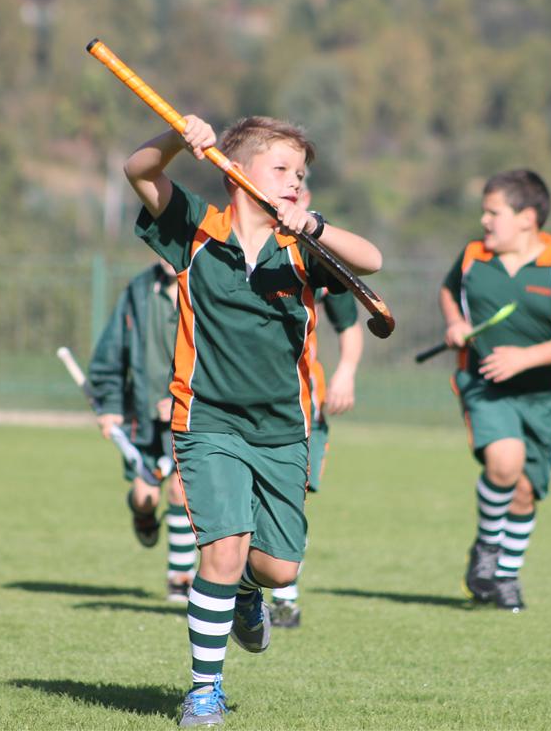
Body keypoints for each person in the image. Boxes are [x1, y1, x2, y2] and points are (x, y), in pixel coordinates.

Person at [124, 114, 382, 726]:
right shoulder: (194, 228)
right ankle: (204, 691)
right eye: (282, 169)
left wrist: (313, 225)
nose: (295, 181)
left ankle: (247, 592)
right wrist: (178, 138)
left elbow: (371, 259)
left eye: (301, 173)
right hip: (207, 421)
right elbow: (138, 171)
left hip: (282, 431)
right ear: (235, 172)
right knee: (221, 551)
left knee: (275, 567)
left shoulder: (304, 245)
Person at [440, 169, 551, 612]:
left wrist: (524, 358)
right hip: (484, 385)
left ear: (527, 217)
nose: (484, 221)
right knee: (505, 462)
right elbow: (449, 292)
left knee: (525, 490)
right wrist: (455, 323)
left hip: (542, 399)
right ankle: (488, 550)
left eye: (494, 212)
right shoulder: (473, 257)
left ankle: (506, 576)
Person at [87, 257, 195, 602]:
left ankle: (180, 578)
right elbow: (111, 352)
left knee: (180, 490)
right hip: (143, 421)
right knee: (145, 497)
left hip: (190, 416)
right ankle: (142, 514)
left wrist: (183, 398)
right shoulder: (139, 290)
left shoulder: (205, 282)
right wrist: (111, 407)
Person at [268, 273, 363, 628]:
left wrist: (346, 372)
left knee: (290, 498)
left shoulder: (313, 261)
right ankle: (240, 588)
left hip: (301, 401)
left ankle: (284, 599)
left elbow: (349, 324)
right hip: (238, 398)